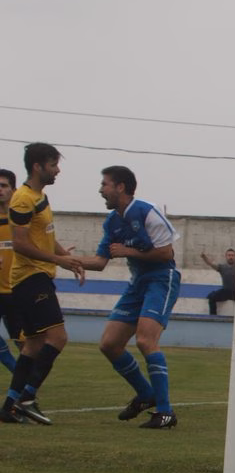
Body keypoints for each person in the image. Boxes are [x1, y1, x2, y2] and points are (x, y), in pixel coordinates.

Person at [75, 166, 181, 429]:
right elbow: (100, 262)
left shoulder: (147, 211)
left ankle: (166, 413)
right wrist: (62, 260)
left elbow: (166, 254)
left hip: (161, 280)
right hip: (138, 284)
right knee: (109, 344)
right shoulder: (112, 221)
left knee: (145, 340)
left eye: (105, 184)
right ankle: (146, 395)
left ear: (120, 187)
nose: (101, 189)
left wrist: (127, 252)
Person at [0, 143, 86, 425]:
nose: (57, 170)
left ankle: (10, 405)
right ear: (37, 166)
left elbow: (44, 237)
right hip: (30, 277)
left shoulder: (39, 196)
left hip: (37, 275)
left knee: (33, 344)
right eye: (53, 165)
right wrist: (57, 260)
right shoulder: (23, 199)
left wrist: (66, 258)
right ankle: (27, 397)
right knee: (58, 338)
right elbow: (22, 244)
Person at [0, 168, 21, 373]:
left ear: (14, 190)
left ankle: (27, 386)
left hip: (17, 290)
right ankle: (18, 374)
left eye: (4, 185)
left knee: (24, 343)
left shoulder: (21, 220)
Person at [201, 248, 235, 315]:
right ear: (226, 256)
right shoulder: (222, 267)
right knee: (212, 298)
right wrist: (204, 258)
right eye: (229, 255)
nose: (231, 257)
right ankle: (213, 317)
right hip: (225, 291)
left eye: (232, 255)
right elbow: (211, 264)